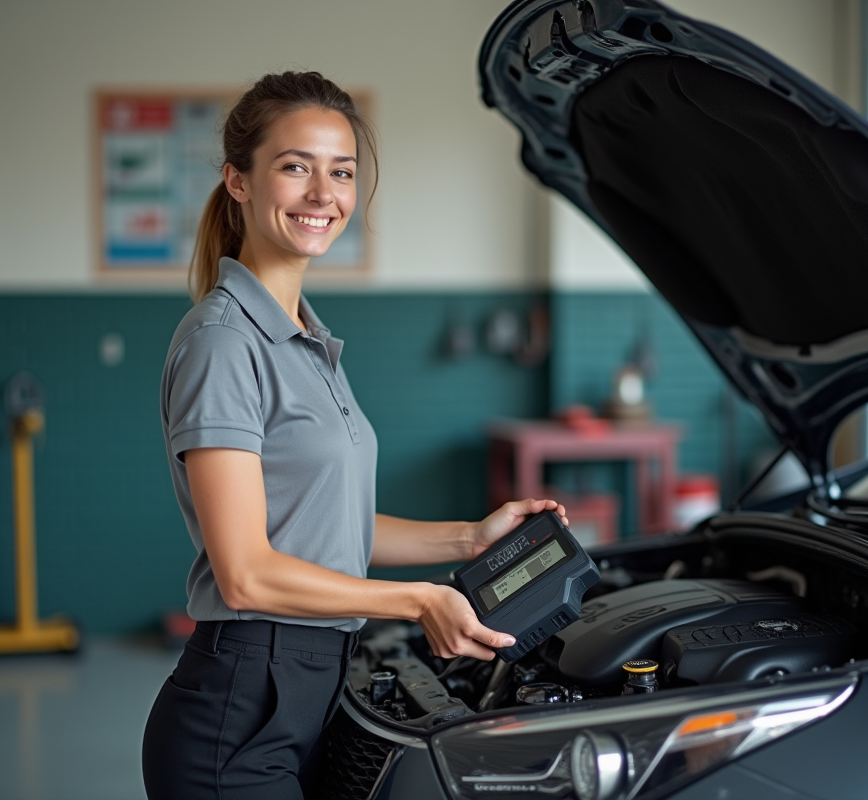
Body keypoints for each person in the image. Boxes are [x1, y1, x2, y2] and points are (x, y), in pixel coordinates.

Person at [140, 71, 567, 800]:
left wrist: (470, 537)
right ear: (237, 181)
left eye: (341, 171)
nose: (323, 194)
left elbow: (326, 529)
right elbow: (245, 571)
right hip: (239, 709)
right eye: (295, 166)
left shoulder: (306, 337)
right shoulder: (222, 342)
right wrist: (417, 600)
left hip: (312, 690)